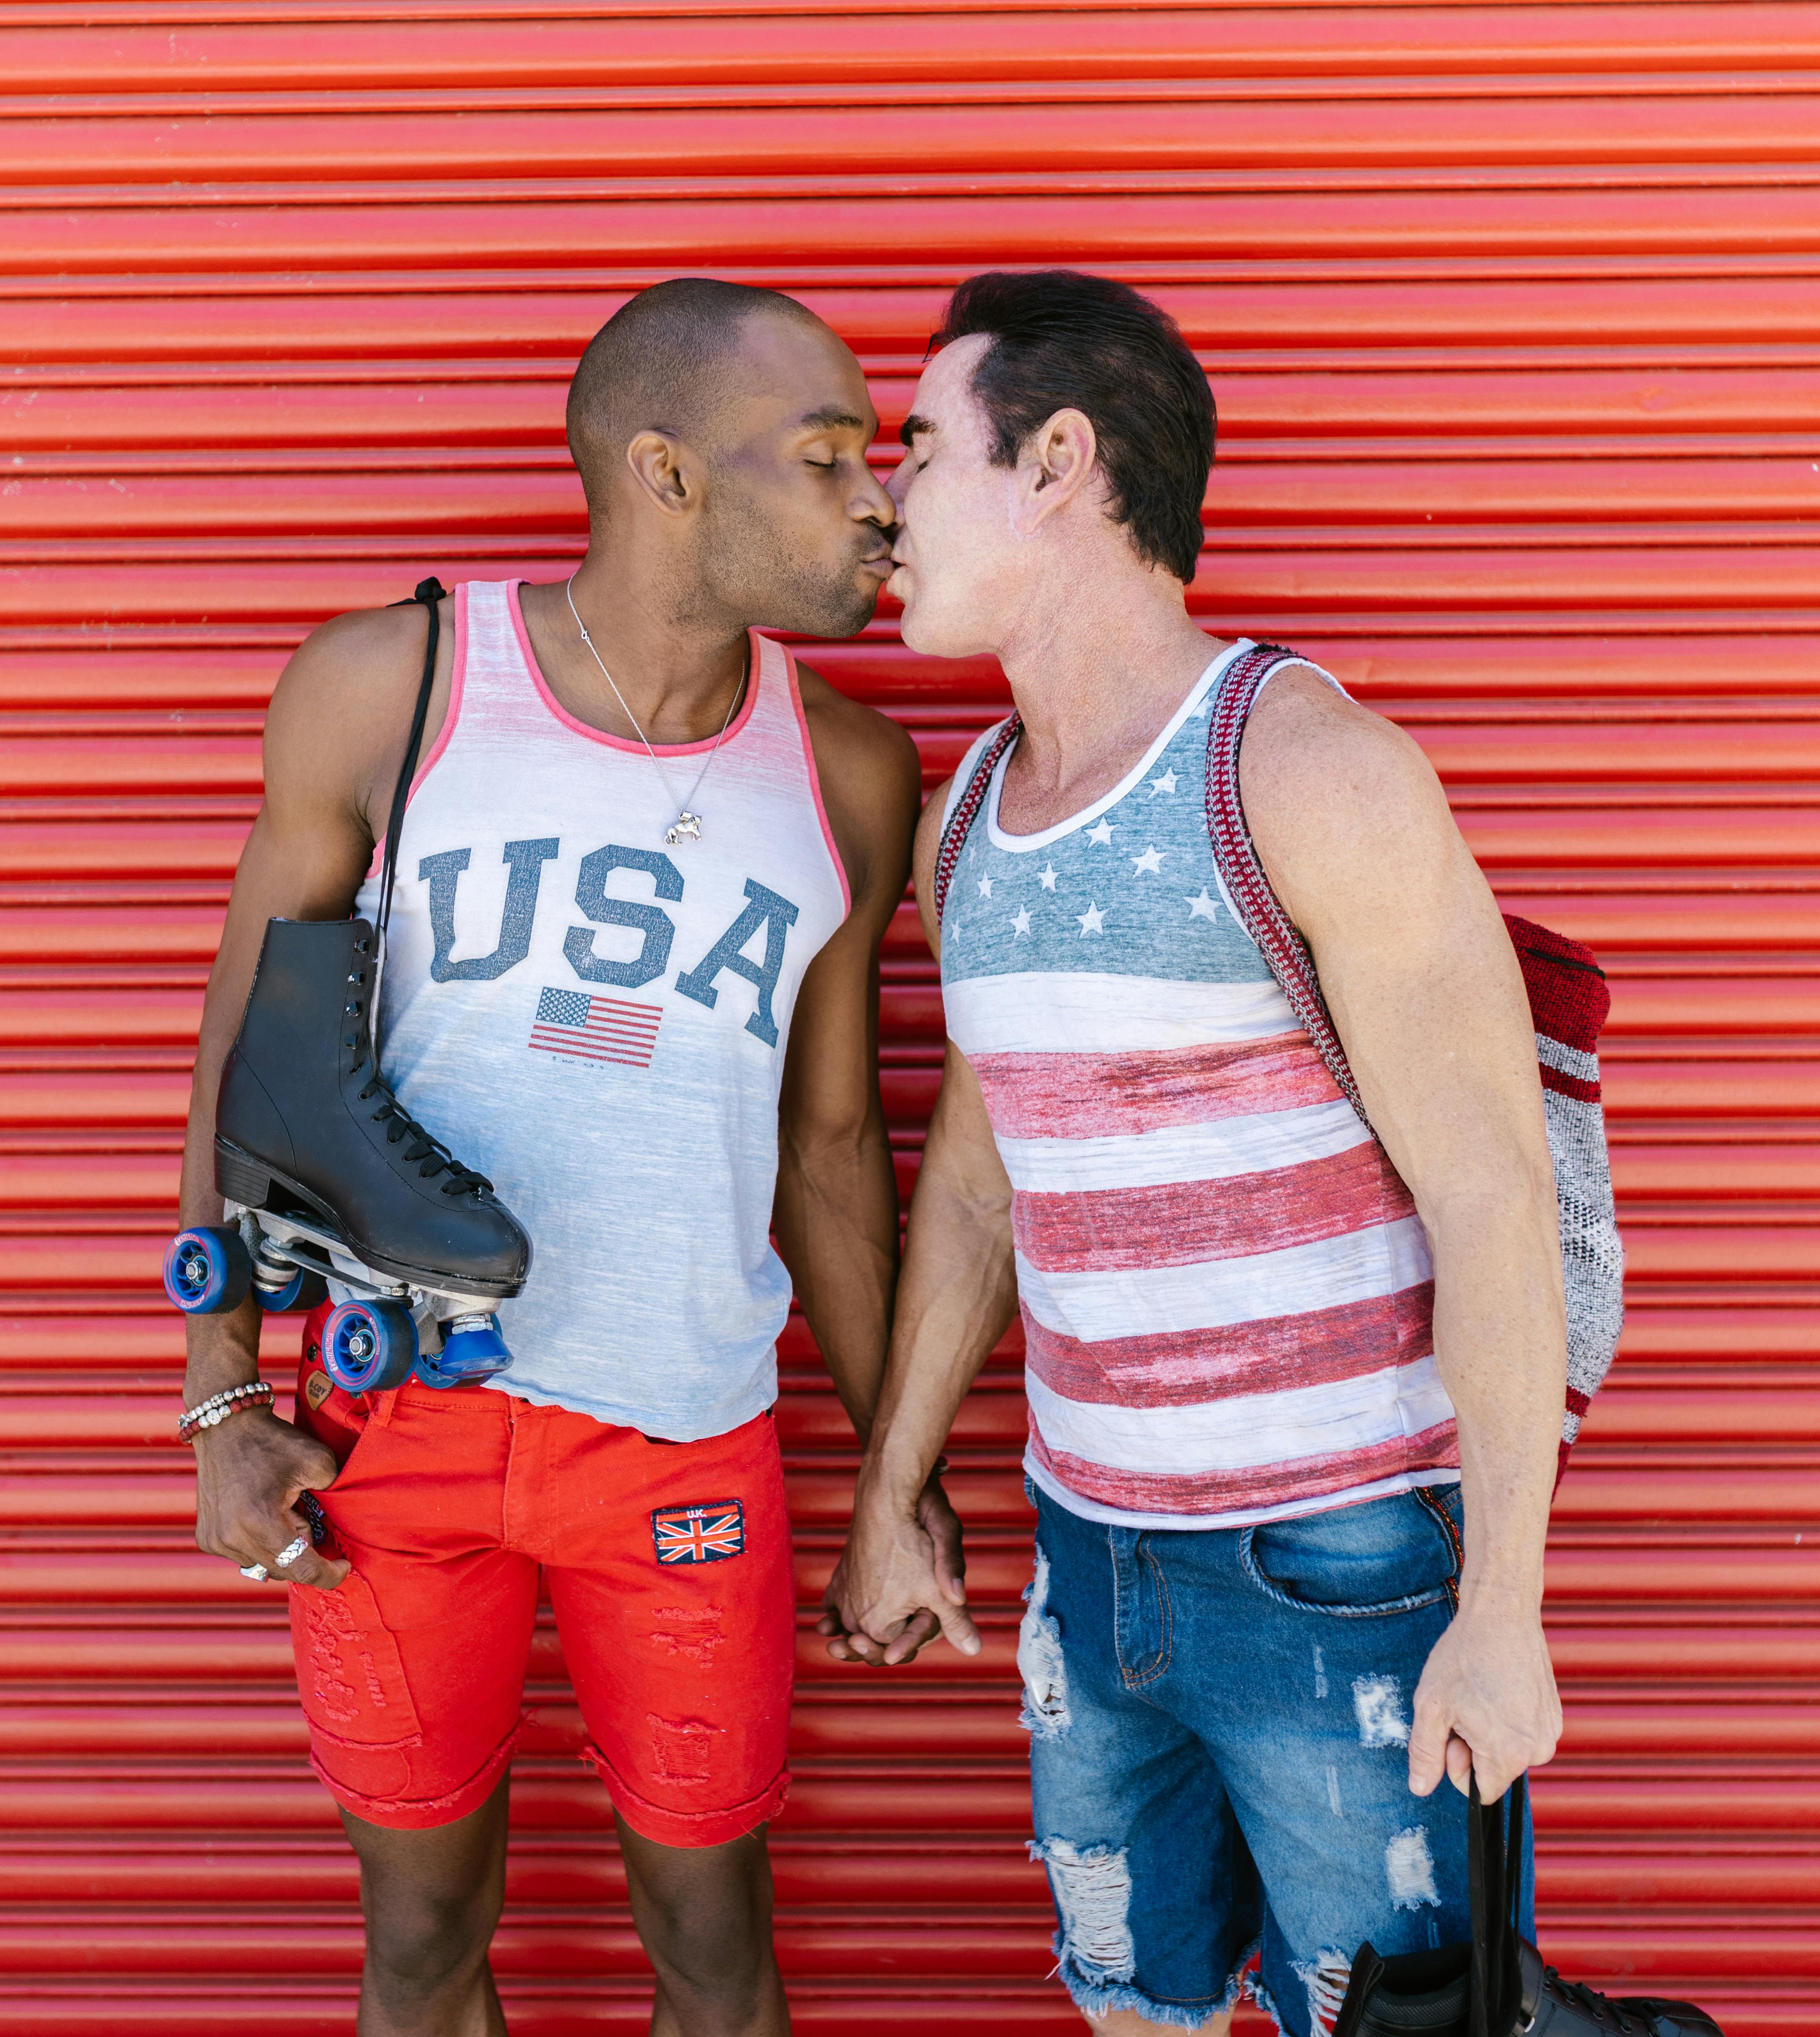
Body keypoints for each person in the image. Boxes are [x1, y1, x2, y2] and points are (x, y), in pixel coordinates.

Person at [176, 278, 947, 2037]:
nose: (877, 501)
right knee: (421, 1948)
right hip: (395, 1430)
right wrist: (222, 1402)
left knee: (715, 1958)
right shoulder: (398, 684)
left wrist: (896, 1473)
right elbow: (241, 1057)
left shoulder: (849, 774)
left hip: (680, 1435)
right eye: (825, 459)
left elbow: (831, 1145)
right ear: (666, 473)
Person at [828, 271, 1572, 2037]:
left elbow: (1491, 1192)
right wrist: (892, 1487)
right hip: (1092, 1562)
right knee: (1132, 2007)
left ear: (1060, 462)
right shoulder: (973, 812)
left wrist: (1507, 1608)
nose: (880, 504)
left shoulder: (1309, 766)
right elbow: (983, 1181)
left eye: (919, 450)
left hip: (1344, 1567)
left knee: (1387, 2022)